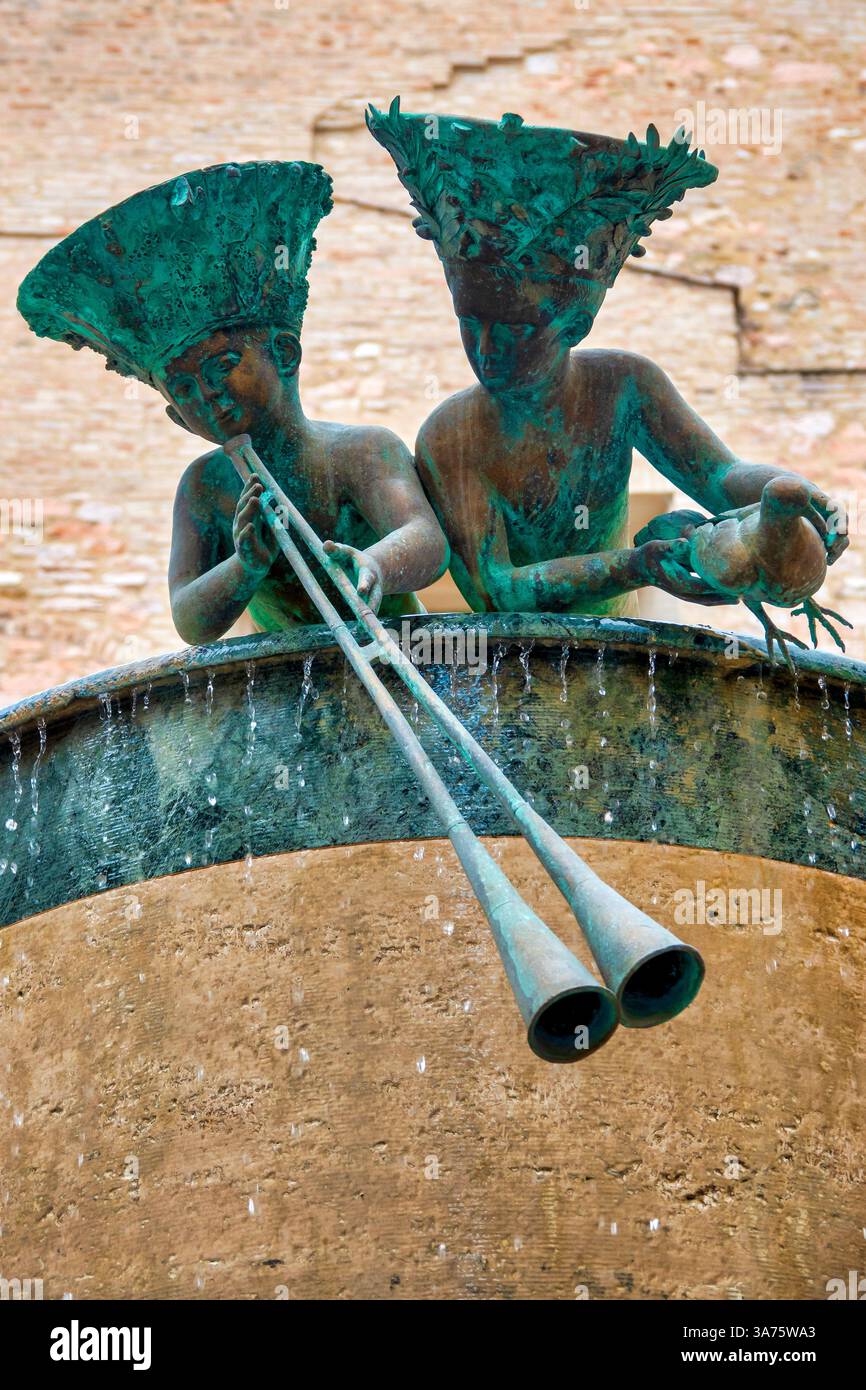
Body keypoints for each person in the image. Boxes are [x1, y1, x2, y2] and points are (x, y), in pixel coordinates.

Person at [367, 101, 847, 625]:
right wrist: (638, 565)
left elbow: (721, 476)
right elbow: (496, 589)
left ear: (573, 328)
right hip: (511, 670)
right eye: (470, 320)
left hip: (616, 655)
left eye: (518, 329)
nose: (485, 348)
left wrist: (805, 499)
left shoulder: (623, 386)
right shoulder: (451, 435)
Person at [18, 160, 447, 644]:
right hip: (282, 683)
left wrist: (376, 564)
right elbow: (190, 621)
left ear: (284, 354)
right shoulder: (205, 488)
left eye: (221, 366)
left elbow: (426, 538)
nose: (209, 395)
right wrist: (245, 566)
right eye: (184, 390)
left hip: (398, 653)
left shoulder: (362, 451)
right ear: (178, 418)